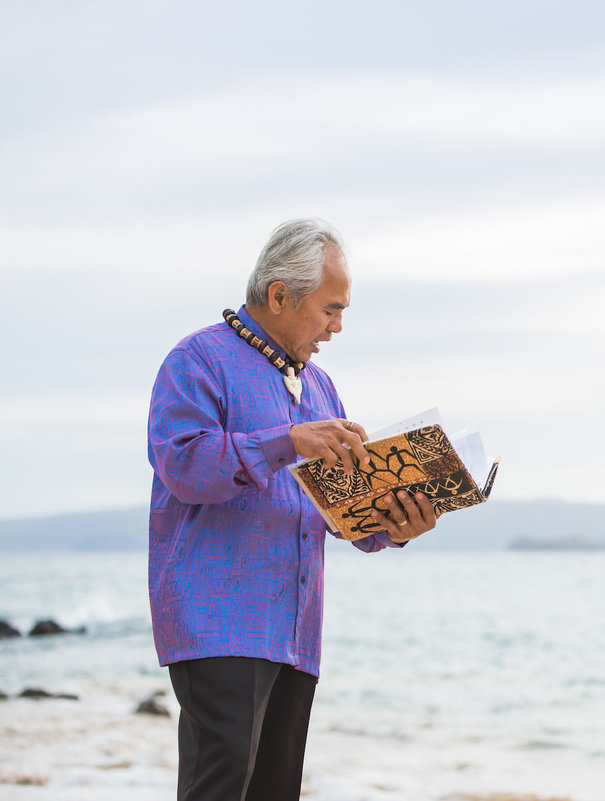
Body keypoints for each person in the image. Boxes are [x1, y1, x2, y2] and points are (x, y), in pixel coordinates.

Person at [147, 218, 436, 801]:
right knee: (219, 786)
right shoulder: (197, 360)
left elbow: (341, 513)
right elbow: (182, 466)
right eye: (331, 309)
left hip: (296, 631)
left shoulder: (322, 388)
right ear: (281, 296)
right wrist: (288, 440)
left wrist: (397, 525)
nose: (337, 327)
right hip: (219, 621)